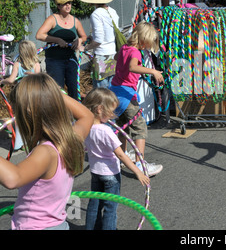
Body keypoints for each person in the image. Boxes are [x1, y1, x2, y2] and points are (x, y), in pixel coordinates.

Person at [0, 73, 94, 230]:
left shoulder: (45, 152)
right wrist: (52, 94)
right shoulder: (69, 141)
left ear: (28, 114)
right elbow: (87, 116)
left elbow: (13, 178)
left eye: (16, 112)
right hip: (57, 225)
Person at [83, 87, 150, 230]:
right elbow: (121, 154)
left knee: (95, 203)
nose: (112, 115)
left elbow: (84, 148)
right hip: (111, 175)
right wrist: (138, 172)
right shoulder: (106, 131)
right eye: (110, 111)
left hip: (95, 173)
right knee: (110, 208)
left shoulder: (85, 128)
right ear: (100, 109)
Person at [110, 21, 164, 176]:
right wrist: (153, 72)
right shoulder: (135, 52)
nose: (149, 45)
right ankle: (141, 164)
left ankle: (122, 156)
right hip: (126, 95)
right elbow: (133, 67)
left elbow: (116, 57)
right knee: (140, 127)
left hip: (115, 91)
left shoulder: (124, 48)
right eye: (149, 41)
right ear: (143, 39)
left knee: (123, 126)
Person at [36, 0, 87, 99]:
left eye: (69, 3)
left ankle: (75, 111)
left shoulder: (75, 21)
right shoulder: (52, 19)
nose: (68, 6)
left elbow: (84, 36)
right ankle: (59, 112)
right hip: (55, 60)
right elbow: (39, 35)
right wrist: (57, 40)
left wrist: (79, 40)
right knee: (58, 89)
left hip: (71, 58)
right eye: (64, 4)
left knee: (73, 87)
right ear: (58, 6)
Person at [75, 0, 119, 88]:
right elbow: (110, 33)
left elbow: (99, 40)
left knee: (101, 92)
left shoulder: (96, 14)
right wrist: (92, 37)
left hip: (101, 57)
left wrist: (85, 48)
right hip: (113, 55)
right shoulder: (112, 11)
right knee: (112, 89)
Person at [0, 40, 41, 151]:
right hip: (32, 94)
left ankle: (19, 142)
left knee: (19, 117)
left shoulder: (17, 64)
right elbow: (39, 79)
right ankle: (34, 140)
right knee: (32, 116)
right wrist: (32, 75)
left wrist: (2, 81)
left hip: (20, 93)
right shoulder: (36, 64)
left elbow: (11, 80)